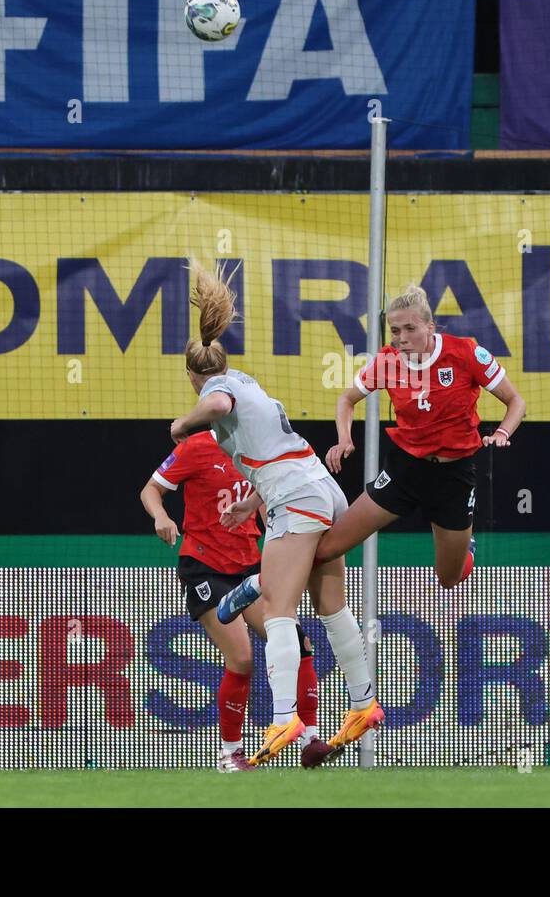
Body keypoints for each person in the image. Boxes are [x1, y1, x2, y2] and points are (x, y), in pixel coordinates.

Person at [168, 262, 382, 767]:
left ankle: (285, 716)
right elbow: (269, 446)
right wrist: (253, 502)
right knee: (332, 608)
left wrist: (182, 422)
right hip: (323, 489)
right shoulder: (246, 378)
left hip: (296, 500)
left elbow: (216, 406)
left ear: (192, 374)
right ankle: (363, 703)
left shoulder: (214, 390)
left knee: (279, 610)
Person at [314, 284, 526, 588]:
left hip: (454, 476)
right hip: (405, 471)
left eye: (410, 328)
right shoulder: (386, 361)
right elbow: (346, 400)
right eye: (395, 330)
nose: (401, 338)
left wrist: (503, 432)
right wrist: (344, 438)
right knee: (327, 548)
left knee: (448, 579)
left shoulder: (465, 352)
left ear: (430, 326)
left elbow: (516, 402)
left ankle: (466, 546)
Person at [140, 429, 328, 770]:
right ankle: (230, 754)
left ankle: (310, 740)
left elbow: (266, 500)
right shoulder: (197, 446)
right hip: (205, 567)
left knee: (299, 643)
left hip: (250, 568)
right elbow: (150, 490)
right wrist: (161, 516)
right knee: (241, 658)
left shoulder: (258, 443)